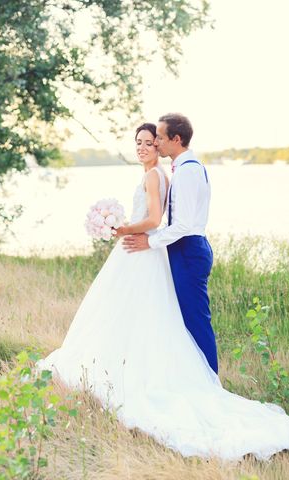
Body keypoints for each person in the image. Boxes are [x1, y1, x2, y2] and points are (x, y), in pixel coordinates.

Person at [37, 121, 289, 460]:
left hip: (159, 249)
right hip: (154, 251)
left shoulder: (163, 174)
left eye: (152, 141)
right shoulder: (167, 171)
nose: (145, 147)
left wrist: (121, 229)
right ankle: (157, 369)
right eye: (139, 142)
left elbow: (157, 220)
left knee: (185, 317)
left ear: (167, 142)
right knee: (145, 314)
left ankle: (207, 383)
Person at [122, 113, 218, 373]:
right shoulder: (184, 168)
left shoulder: (187, 172)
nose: (157, 144)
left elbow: (184, 225)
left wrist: (151, 242)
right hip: (183, 247)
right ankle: (193, 373)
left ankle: (209, 380)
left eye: (161, 138)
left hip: (189, 249)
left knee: (196, 319)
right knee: (184, 318)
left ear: (177, 139)